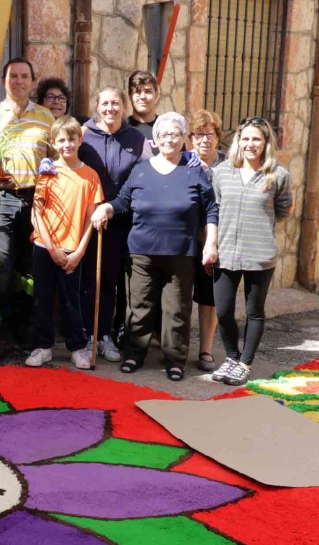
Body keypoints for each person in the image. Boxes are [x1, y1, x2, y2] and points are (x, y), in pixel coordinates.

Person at [92, 112, 218, 381]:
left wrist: (211, 243)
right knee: (139, 306)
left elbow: (210, 209)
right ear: (155, 139)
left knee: (177, 308)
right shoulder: (140, 170)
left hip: (181, 252)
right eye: (162, 134)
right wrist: (105, 207)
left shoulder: (195, 171)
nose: (168, 139)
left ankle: (175, 359)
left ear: (184, 138)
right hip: (141, 251)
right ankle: (134, 355)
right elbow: (123, 202)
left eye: (174, 134)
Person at [0, 58, 54, 334]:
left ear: (32, 81)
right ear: (4, 81)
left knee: (35, 265)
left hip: (38, 200)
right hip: (0, 200)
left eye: (24, 76)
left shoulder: (45, 117)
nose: (18, 81)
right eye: (13, 76)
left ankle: (29, 332)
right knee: (1, 265)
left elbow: (57, 159)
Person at [203, 115, 293, 388]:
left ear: (266, 142)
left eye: (256, 139)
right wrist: (212, 243)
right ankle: (231, 357)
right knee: (224, 310)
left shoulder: (278, 175)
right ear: (238, 141)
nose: (250, 144)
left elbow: (284, 210)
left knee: (254, 311)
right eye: (246, 139)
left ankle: (244, 363)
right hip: (226, 253)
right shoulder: (221, 172)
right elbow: (214, 211)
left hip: (259, 255)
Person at [24, 116, 103, 370]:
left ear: (80, 140)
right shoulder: (47, 173)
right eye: (61, 140)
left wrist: (79, 251)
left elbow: (91, 218)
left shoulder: (91, 176)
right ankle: (42, 346)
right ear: (53, 143)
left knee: (72, 300)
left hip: (73, 249)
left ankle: (77, 347)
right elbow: (36, 213)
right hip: (45, 247)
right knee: (42, 297)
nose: (67, 144)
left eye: (71, 139)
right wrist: (51, 247)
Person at [78, 86, 146, 363]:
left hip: (120, 220)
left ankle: (104, 335)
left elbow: (147, 173)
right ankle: (85, 335)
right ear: (97, 107)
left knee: (109, 280)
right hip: (87, 218)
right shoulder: (83, 134)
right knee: (86, 279)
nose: (110, 108)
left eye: (116, 103)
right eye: (105, 103)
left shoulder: (136, 139)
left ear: (124, 107)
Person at [188, 109, 227, 371]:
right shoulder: (182, 161)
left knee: (208, 296)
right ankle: (171, 343)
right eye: (199, 134)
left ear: (218, 137)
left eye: (209, 134)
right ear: (191, 138)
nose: (204, 140)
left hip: (213, 239)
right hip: (184, 237)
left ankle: (205, 349)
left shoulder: (227, 165)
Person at [126, 70, 161, 147]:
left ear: (156, 95)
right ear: (130, 96)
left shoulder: (166, 128)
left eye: (148, 91)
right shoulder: (121, 128)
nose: (142, 97)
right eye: (137, 91)